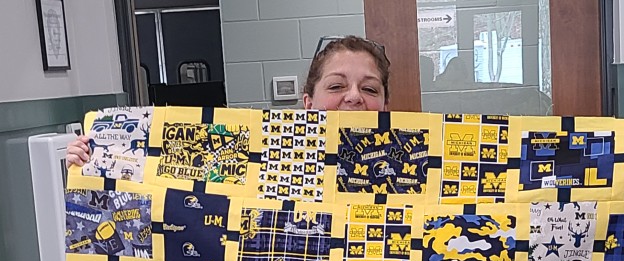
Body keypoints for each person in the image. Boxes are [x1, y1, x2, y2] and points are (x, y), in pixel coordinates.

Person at [66, 35, 390, 168]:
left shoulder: (408, 167)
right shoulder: (265, 156)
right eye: (336, 86)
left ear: (386, 105)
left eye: (370, 89)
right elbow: (169, 179)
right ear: (308, 102)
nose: (353, 97)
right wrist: (94, 160)